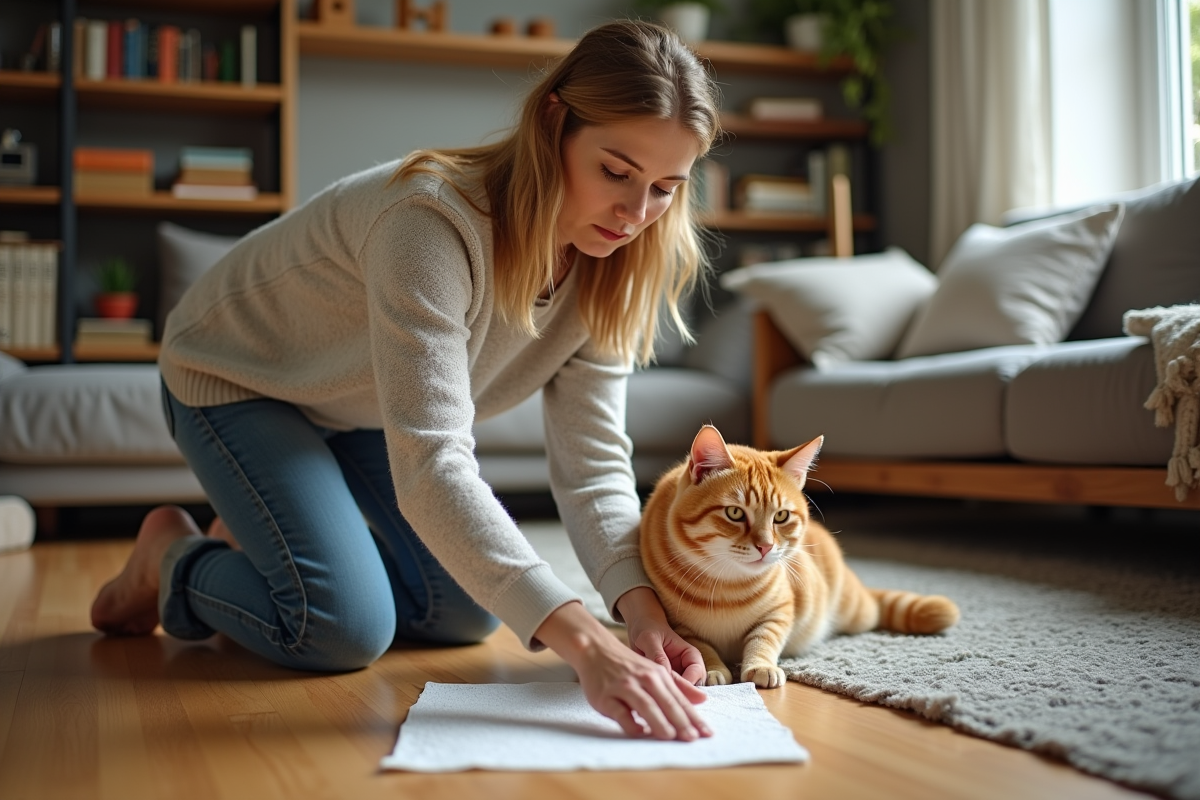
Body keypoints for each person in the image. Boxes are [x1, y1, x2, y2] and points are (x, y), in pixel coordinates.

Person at [91, 19, 721, 742]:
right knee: (340, 629)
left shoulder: (616, 265)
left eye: (666, 188)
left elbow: (592, 468)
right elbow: (432, 465)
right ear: (554, 123)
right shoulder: (430, 220)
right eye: (616, 171)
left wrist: (640, 613)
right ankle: (170, 556)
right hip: (239, 375)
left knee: (466, 611)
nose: (636, 215)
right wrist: (587, 645)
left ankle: (273, 535)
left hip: (355, 406)